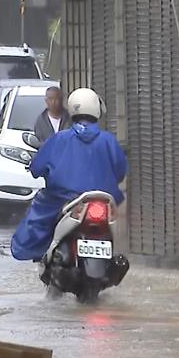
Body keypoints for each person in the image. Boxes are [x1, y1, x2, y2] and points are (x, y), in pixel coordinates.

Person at [11, 88, 127, 262]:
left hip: (63, 200)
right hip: (103, 200)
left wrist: (36, 169)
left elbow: (38, 167)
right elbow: (121, 170)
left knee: (37, 216)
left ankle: (40, 254)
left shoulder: (59, 139)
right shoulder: (108, 140)